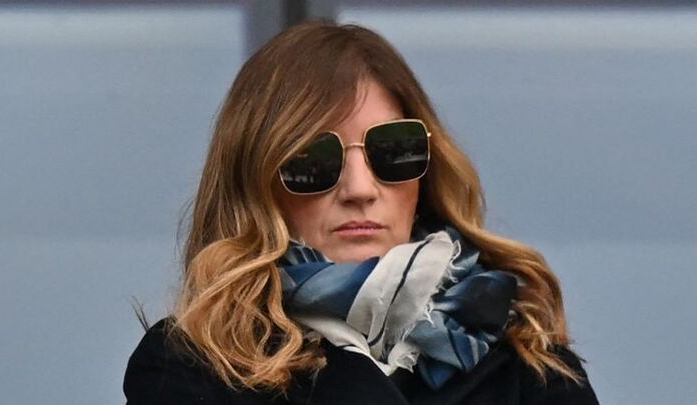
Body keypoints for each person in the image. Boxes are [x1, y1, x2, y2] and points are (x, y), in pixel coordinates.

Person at [123, 21, 599, 404]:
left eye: (393, 150)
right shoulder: (190, 370)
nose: (359, 189)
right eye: (314, 160)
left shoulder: (529, 365)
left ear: (427, 173)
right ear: (256, 184)